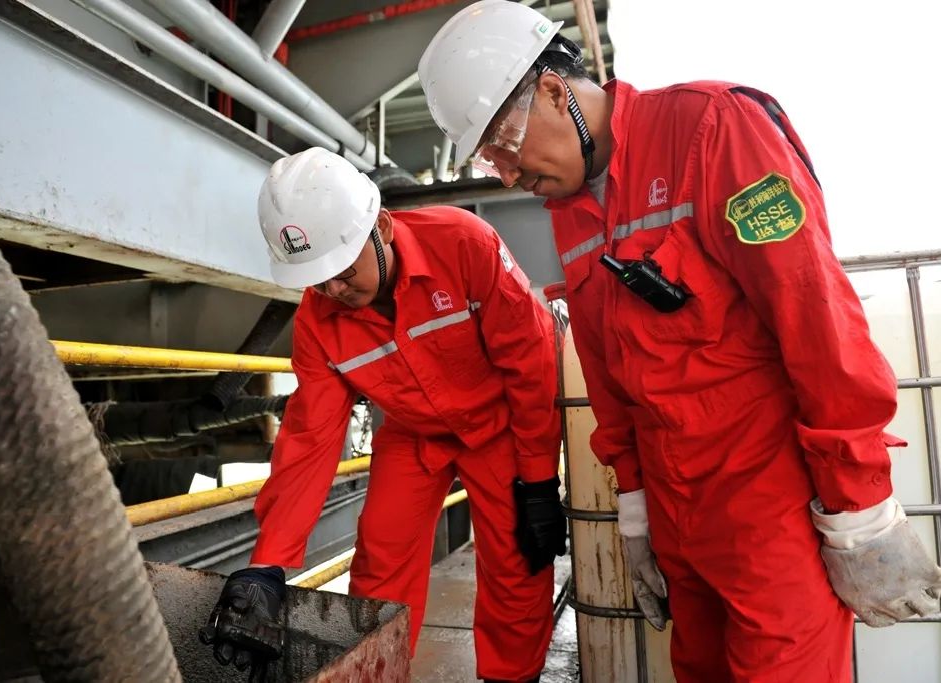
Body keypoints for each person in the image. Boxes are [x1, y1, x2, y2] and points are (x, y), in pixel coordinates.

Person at [418, 2, 941, 681]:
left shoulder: (713, 129)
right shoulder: (570, 208)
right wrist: (636, 512)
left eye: (503, 148)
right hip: (677, 517)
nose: (507, 176)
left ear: (552, 91)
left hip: (769, 511)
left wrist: (860, 511)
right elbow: (609, 376)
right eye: (491, 162)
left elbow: (816, 322)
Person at [199, 146, 565, 683]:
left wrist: (537, 482)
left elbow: (530, 364)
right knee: (379, 566)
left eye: (342, 270)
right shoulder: (319, 322)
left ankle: (510, 678)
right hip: (414, 433)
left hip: (499, 428)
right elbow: (311, 438)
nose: (333, 291)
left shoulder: (465, 245)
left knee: (518, 560)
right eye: (317, 278)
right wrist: (267, 565)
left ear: (384, 228)